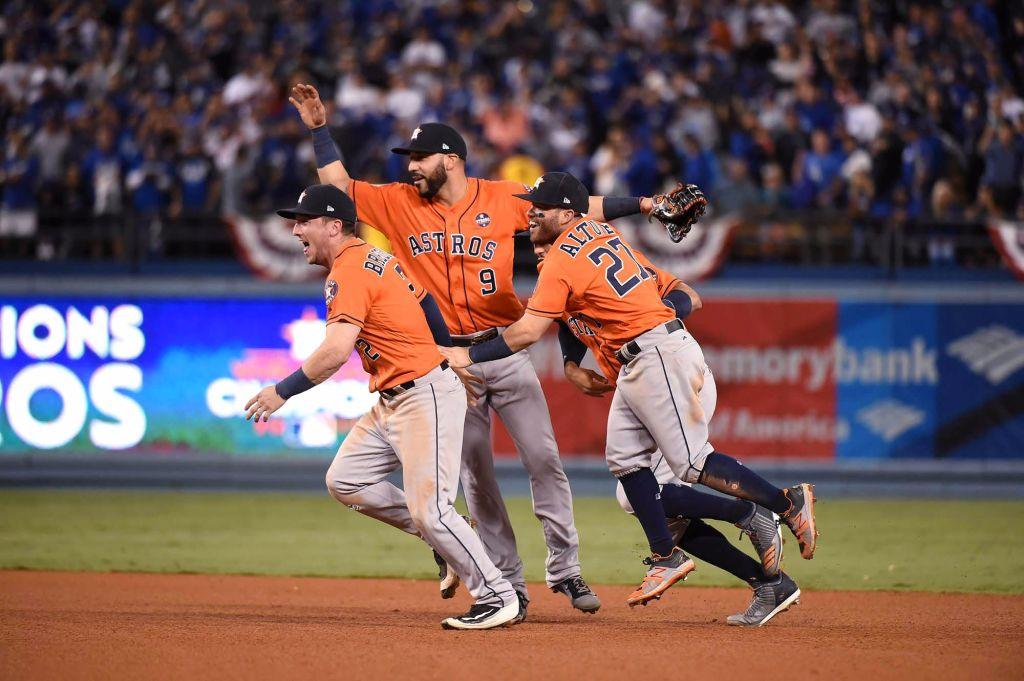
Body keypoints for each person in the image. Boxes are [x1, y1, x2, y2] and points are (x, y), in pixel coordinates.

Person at [288, 83, 667, 618]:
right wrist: (319, 129)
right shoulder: (397, 204)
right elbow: (339, 187)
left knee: (544, 460)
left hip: (504, 349)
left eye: (420, 157)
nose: (412, 166)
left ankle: (566, 570)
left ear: (452, 159)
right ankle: (509, 584)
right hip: (447, 363)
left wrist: (646, 203)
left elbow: (579, 208)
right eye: (409, 158)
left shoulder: (500, 198)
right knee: (477, 480)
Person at [441, 171, 819, 607]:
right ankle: (671, 555)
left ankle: (782, 503)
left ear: (567, 214)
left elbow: (527, 332)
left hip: (658, 355)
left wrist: (465, 356)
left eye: (540, 209)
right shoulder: (599, 234)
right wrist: (570, 361)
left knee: (691, 464)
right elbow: (567, 317)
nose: (530, 214)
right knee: (624, 465)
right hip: (639, 363)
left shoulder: (563, 257)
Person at [244, 184, 521, 630]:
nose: (296, 229)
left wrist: (283, 390)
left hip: (422, 395)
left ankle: (497, 596)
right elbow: (425, 299)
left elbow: (335, 352)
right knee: (345, 480)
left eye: (304, 221)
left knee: (430, 510)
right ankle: (446, 540)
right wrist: (447, 349)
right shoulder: (375, 257)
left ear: (334, 226)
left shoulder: (349, 271)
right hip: (395, 399)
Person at [533, 238, 800, 626]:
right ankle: (768, 583)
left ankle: (753, 510)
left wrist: (651, 314)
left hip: (665, 375)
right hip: (642, 383)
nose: (540, 250)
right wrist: (572, 363)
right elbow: (565, 321)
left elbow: (689, 296)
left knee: (641, 491)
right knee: (663, 513)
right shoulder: (559, 279)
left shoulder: (610, 270)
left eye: (546, 242)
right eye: (535, 244)